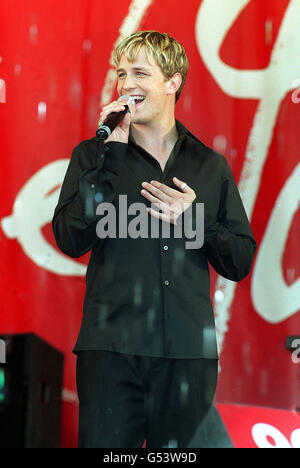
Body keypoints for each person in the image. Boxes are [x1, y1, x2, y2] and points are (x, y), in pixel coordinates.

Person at [52, 30, 257, 448]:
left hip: (186, 358)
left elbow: (239, 260)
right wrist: (110, 160)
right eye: (122, 73)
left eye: (140, 73)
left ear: (172, 82)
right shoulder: (93, 156)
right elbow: (70, 238)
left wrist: (193, 220)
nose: (127, 84)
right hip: (111, 355)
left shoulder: (209, 166)